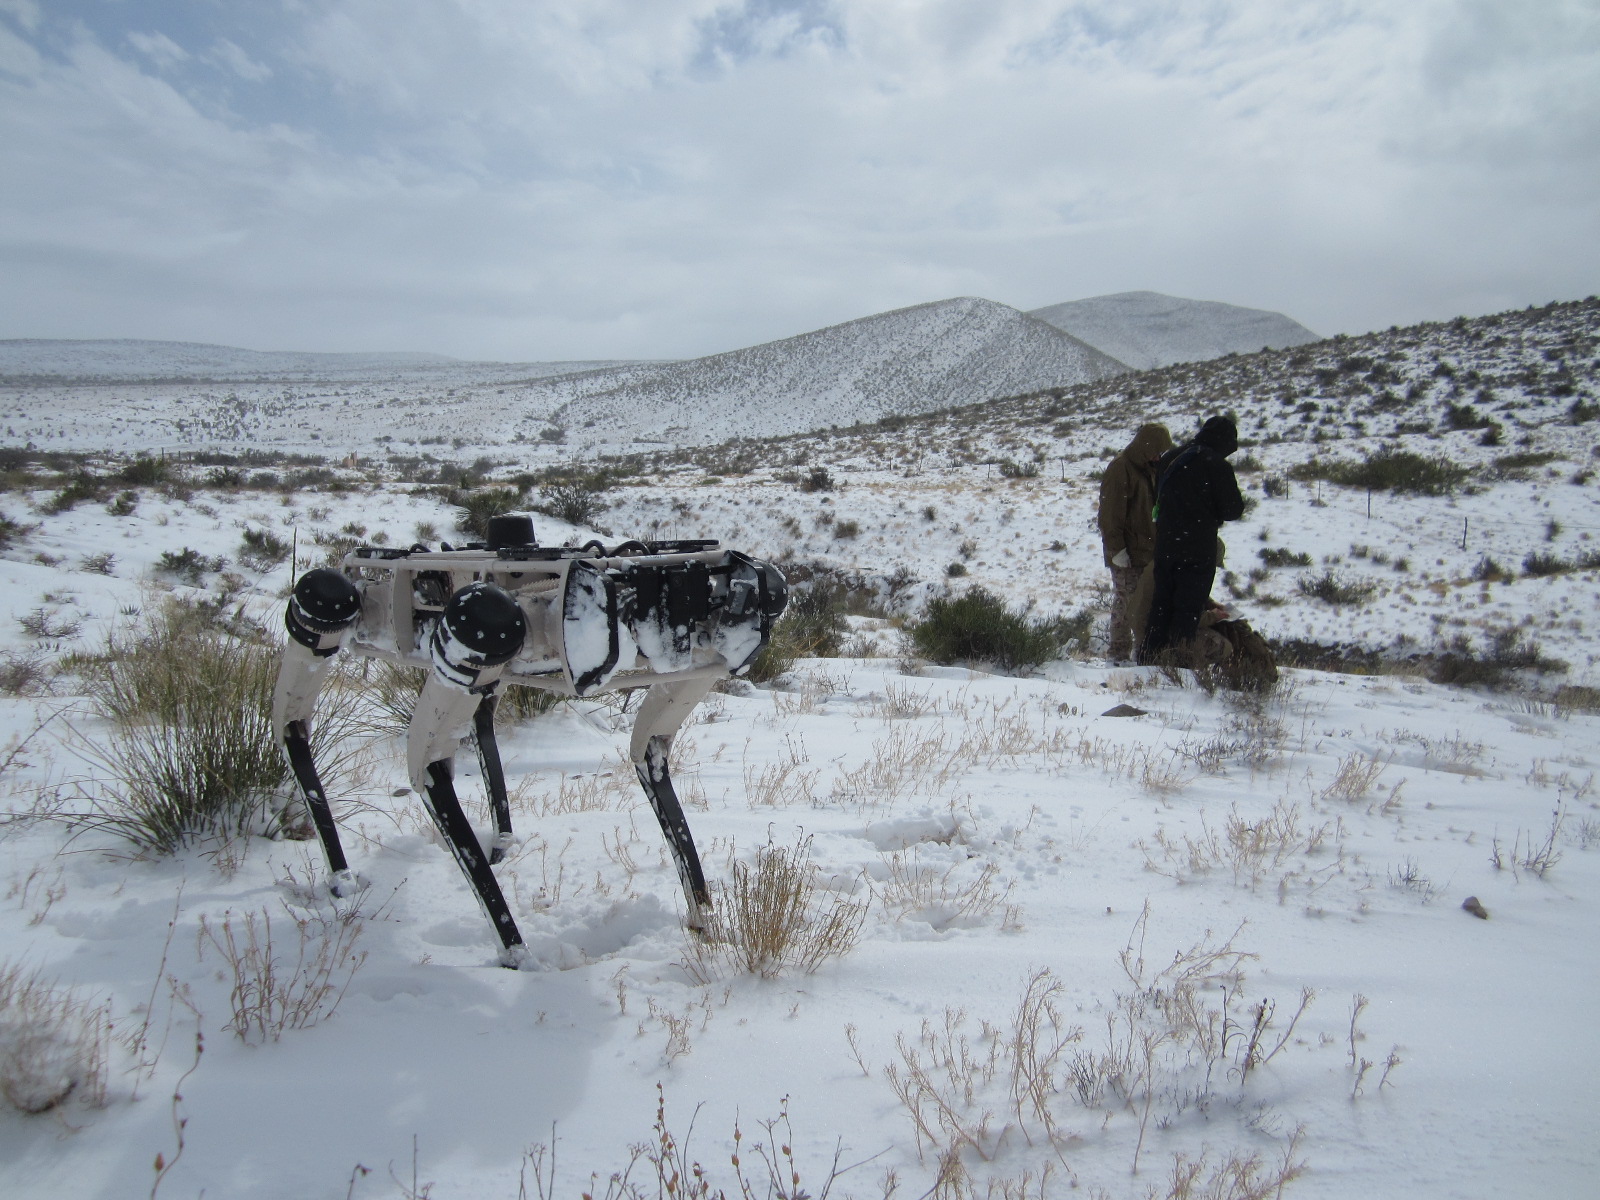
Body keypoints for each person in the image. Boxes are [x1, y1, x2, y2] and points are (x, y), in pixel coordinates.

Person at [1141, 416, 1245, 662]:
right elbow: (1233, 509)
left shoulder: (1170, 458)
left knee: (1161, 604)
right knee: (1187, 609)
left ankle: (1148, 659)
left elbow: (1159, 497)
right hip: (1198, 546)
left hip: (1166, 543)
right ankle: (1177, 665)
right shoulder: (1216, 464)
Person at [1096, 423, 1173, 662]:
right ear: (1145, 446)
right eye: (1156, 451)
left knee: (1141, 605)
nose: (1158, 456)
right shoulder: (1121, 469)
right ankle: (1118, 654)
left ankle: (1142, 654)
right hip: (1127, 553)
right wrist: (1117, 550)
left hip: (1145, 551)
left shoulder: (1147, 469)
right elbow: (1110, 516)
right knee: (1126, 604)